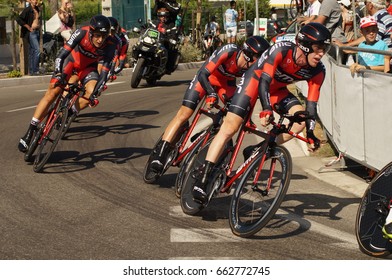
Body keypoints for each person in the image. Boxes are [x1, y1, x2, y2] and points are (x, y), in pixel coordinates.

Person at [191, 23, 331, 204]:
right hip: (256, 81)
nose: (321, 54)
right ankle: (203, 177)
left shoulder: (318, 70)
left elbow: (311, 105)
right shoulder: (281, 50)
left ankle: (257, 149)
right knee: (230, 126)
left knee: (300, 120)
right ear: (304, 45)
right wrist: (266, 110)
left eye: (325, 49)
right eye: (318, 48)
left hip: (277, 91)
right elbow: (264, 81)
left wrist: (310, 133)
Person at [148, 36, 270, 174]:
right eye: (258, 59)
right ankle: (159, 155)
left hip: (226, 84)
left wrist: (248, 117)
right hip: (206, 78)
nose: (259, 64)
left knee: (235, 115)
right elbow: (203, 73)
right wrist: (211, 93)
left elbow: (249, 91)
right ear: (248, 55)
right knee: (184, 114)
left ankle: (208, 137)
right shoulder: (228, 51)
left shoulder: (253, 67)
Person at [17, 15, 118, 153]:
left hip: (88, 68)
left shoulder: (111, 44)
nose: (100, 40)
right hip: (70, 61)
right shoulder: (81, 32)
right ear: (91, 32)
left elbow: (104, 73)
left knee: (92, 93)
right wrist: (58, 72)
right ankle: (31, 130)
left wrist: (96, 91)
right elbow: (61, 55)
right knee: (53, 92)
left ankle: (70, 111)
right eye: (97, 35)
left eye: (104, 36)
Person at [16, 0, 41, 75]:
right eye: (33, 0)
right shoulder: (27, 10)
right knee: (37, 50)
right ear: (30, 1)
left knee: (32, 52)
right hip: (31, 33)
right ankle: (35, 70)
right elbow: (18, 19)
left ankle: (32, 71)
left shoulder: (37, 9)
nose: (35, 1)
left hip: (36, 32)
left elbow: (37, 19)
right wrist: (27, 26)